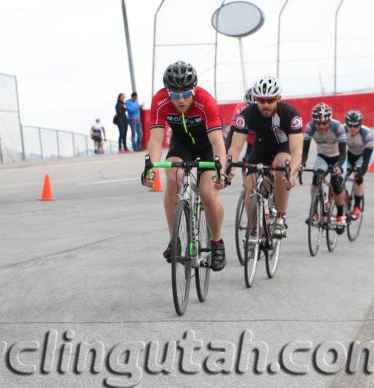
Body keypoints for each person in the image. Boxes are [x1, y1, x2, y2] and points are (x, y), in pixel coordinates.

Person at [142, 61, 228, 271]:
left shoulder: (205, 101)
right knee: (173, 179)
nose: (181, 100)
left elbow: (217, 142)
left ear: (195, 89)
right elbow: (155, 139)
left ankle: (217, 242)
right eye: (174, 95)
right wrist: (151, 167)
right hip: (181, 146)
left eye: (186, 94)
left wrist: (221, 172)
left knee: (208, 193)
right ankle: (175, 240)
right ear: (167, 92)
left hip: (207, 147)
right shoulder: (160, 101)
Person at [228, 75, 303, 240]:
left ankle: (280, 218)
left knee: (281, 165)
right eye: (261, 100)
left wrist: (292, 173)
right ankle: (255, 228)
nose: (266, 105)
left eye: (270, 100)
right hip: (260, 148)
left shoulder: (291, 115)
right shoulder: (247, 114)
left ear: (279, 98)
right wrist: (229, 168)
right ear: (256, 99)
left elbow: (297, 150)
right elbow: (235, 147)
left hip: (282, 148)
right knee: (250, 185)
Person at [302, 102, 348, 231]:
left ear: (329, 121)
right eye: (318, 124)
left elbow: (344, 153)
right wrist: (302, 163)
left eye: (324, 123)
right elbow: (304, 151)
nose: (321, 126)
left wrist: (339, 166)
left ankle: (340, 215)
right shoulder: (309, 127)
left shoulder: (338, 127)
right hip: (322, 156)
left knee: (336, 181)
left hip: (339, 157)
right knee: (316, 177)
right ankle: (315, 212)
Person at [344, 110, 374, 219]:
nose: (352, 128)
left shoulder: (367, 134)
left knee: (358, 178)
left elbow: (366, 159)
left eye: (356, 126)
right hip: (348, 155)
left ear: (360, 124)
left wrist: (361, 172)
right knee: (340, 175)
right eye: (350, 125)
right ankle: (344, 195)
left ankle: (357, 206)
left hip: (362, 156)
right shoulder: (341, 130)